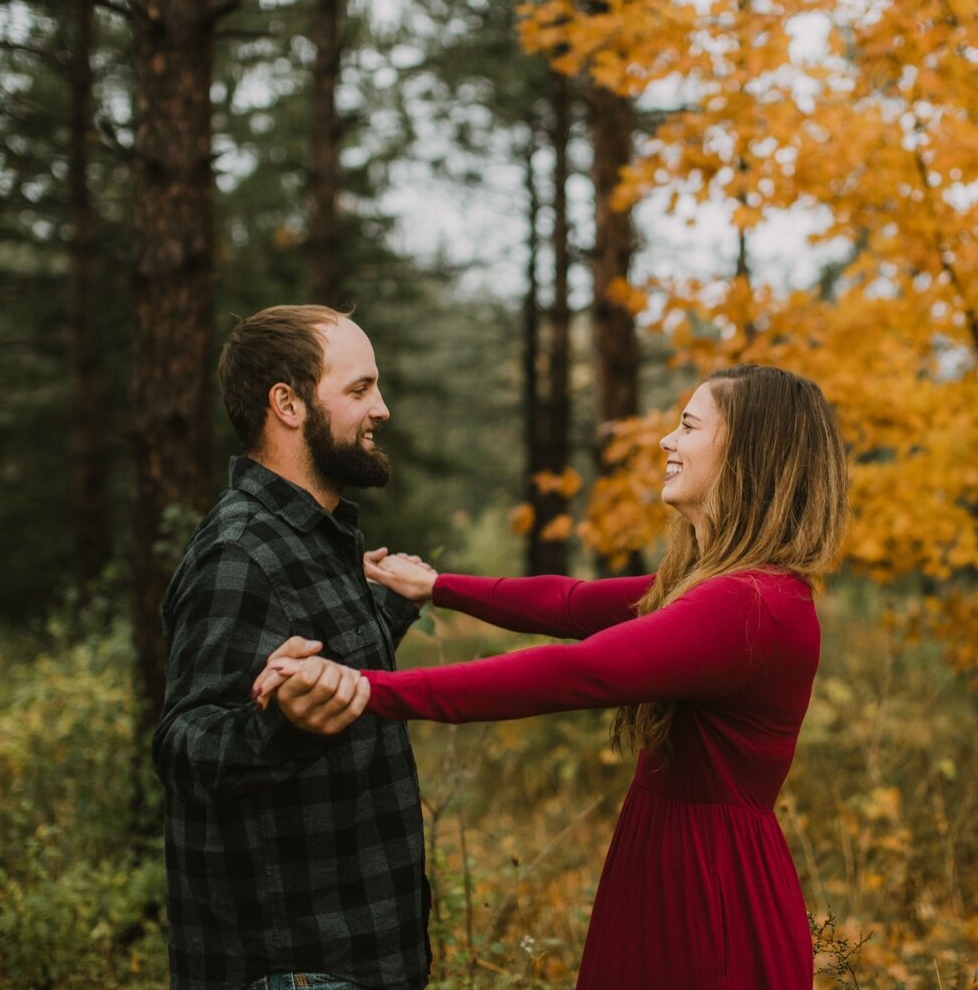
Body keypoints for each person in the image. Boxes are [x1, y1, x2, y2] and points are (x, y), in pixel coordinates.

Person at [255, 363, 849, 989]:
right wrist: (438, 586)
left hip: (710, 886)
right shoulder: (722, 589)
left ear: (747, 456)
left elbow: (576, 673)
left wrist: (366, 688)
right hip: (675, 859)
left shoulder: (748, 605)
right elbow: (570, 603)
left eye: (688, 426)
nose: (666, 442)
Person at [154, 305, 430, 990]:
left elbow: (329, 665)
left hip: (359, 951)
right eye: (361, 389)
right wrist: (278, 723)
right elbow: (184, 745)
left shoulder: (314, 535)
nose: (383, 409)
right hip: (295, 966)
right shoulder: (240, 552)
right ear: (287, 403)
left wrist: (395, 601)